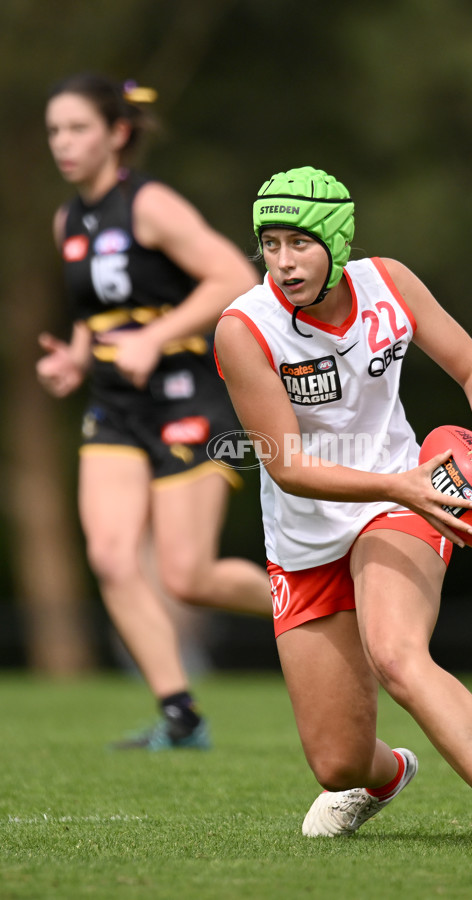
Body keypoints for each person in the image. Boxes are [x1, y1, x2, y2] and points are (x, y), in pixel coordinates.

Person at [214, 165, 472, 848]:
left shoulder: (390, 285)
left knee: (397, 652)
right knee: (336, 762)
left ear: (336, 240)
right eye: (272, 244)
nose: (283, 263)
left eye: (300, 242)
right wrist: (396, 486)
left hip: (406, 498)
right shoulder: (245, 328)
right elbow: (287, 467)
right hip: (309, 528)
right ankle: (387, 777)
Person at [37, 72, 272, 750]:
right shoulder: (67, 220)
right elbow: (97, 313)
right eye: (55, 130)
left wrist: (153, 338)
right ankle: (181, 716)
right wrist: (76, 358)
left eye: (78, 128)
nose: (64, 143)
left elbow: (234, 276)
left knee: (186, 576)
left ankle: (321, 602)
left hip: (185, 398)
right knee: (110, 557)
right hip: (114, 406)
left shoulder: (150, 204)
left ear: (117, 133)